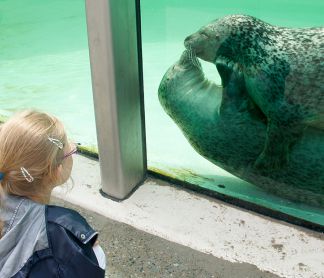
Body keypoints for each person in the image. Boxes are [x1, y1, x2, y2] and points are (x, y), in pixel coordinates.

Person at [0, 110, 106, 278]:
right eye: (70, 151)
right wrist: (83, 247)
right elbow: (92, 266)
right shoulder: (63, 232)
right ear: (56, 171)